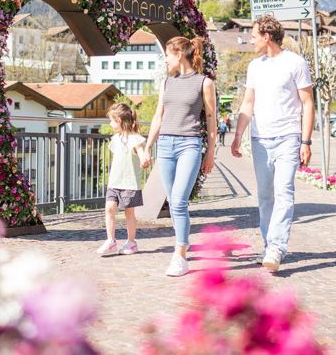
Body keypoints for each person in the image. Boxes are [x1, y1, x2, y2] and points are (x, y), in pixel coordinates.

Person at [231, 15, 314, 272]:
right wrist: (237, 136)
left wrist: (306, 141)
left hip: (288, 138)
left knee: (284, 192)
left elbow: (307, 103)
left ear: (267, 36)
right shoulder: (255, 66)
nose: (251, 39)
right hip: (259, 140)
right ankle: (269, 245)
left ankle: (276, 247)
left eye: (254, 35)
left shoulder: (296, 62)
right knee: (265, 196)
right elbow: (248, 103)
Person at [143, 36, 217, 276]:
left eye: (167, 55)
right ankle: (182, 244)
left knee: (178, 201)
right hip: (165, 145)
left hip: (190, 145)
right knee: (174, 203)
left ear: (179, 54)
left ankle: (180, 254)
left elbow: (211, 119)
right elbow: (158, 116)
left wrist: (211, 153)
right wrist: (148, 146)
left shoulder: (204, 83)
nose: (165, 60)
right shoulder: (167, 82)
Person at [96, 103, 147, 256]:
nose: (110, 124)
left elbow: (142, 153)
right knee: (109, 208)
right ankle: (110, 241)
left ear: (119, 120)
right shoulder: (115, 139)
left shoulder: (136, 139)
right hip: (114, 181)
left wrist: (145, 158)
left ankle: (131, 242)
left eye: (111, 120)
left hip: (130, 183)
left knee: (129, 213)